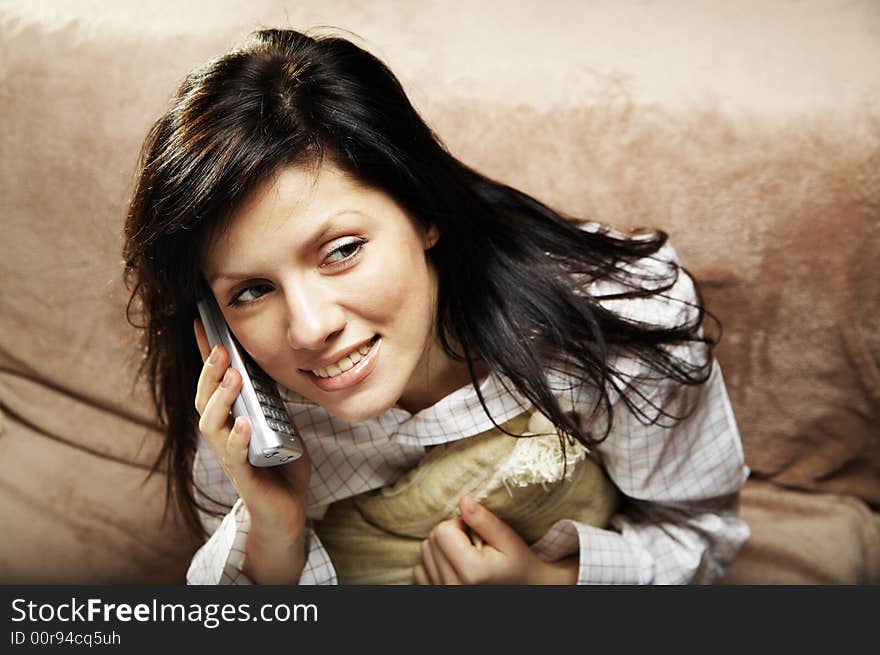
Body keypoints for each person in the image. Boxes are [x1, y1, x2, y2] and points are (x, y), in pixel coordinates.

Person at [123, 28, 749, 585]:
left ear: (423, 212)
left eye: (341, 251)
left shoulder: (615, 322)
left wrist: (546, 585)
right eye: (251, 291)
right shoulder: (245, 417)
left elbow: (701, 536)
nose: (311, 328)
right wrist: (275, 530)